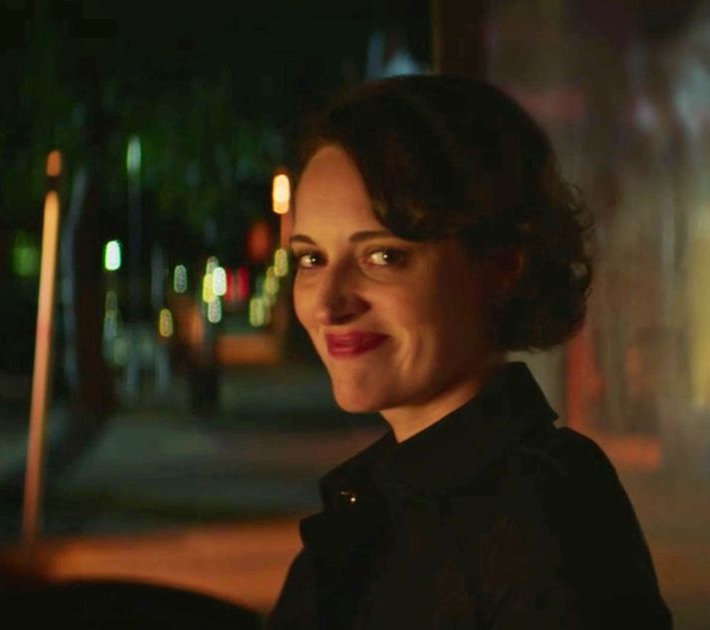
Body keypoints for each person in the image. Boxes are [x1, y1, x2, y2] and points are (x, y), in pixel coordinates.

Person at [267, 74, 671, 629]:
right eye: (311, 259)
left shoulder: (543, 517)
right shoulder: (382, 503)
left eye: (383, 256)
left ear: (501, 266)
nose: (329, 303)